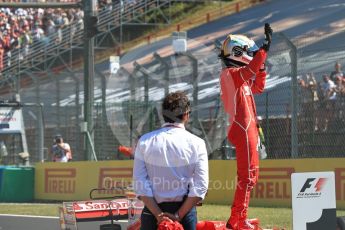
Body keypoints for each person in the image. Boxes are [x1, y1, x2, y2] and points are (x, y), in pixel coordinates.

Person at [218, 23, 273, 230]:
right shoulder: (229, 74)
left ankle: (240, 217)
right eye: (248, 51)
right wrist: (263, 52)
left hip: (248, 127)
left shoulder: (238, 75)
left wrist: (262, 65)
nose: (251, 54)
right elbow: (249, 70)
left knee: (251, 176)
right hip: (241, 128)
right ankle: (237, 220)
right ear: (237, 51)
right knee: (247, 176)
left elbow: (258, 86)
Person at [133, 91, 209, 230]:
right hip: (185, 214)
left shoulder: (144, 141)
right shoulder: (197, 143)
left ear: (163, 114)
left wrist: (158, 215)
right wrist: (178, 216)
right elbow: (200, 186)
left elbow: (140, 183)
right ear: (186, 114)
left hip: (151, 213)